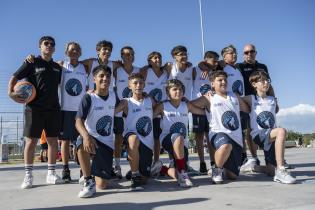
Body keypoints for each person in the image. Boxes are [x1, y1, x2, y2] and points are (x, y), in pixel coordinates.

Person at [26, 42, 88, 182]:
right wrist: (32, 58)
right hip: (65, 109)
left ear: (80, 52)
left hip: (80, 111)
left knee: (81, 140)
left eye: (78, 49)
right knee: (65, 141)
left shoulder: (85, 67)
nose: (75, 51)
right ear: (66, 52)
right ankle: (65, 169)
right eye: (72, 49)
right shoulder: (60, 66)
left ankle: (83, 171)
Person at [8, 36, 63, 189]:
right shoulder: (31, 62)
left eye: (52, 44)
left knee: (53, 141)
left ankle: (51, 174)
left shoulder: (57, 67)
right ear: (40, 46)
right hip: (34, 109)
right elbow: (14, 77)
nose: (49, 46)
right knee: (31, 141)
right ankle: (28, 176)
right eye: (46, 44)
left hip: (53, 109)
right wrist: (10, 93)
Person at [191, 71, 249, 184]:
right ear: (212, 83)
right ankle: (216, 170)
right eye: (220, 80)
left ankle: (224, 166)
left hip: (236, 137)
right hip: (218, 134)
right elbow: (189, 106)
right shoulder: (209, 97)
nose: (224, 82)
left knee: (232, 176)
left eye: (225, 80)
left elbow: (246, 109)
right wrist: (203, 112)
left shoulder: (234, 96)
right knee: (225, 145)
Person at [242, 70, 296, 184]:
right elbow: (234, 100)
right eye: (262, 81)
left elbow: (275, 110)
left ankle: (253, 167)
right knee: (281, 131)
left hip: (271, 136)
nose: (266, 83)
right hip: (259, 134)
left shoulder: (272, 99)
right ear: (254, 84)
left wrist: (273, 94)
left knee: (271, 171)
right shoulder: (251, 99)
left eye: (267, 80)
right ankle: (281, 170)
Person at [153, 79, 206, 187]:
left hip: (182, 144)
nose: (178, 92)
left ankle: (161, 168)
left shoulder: (186, 105)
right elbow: (149, 115)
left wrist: (211, 102)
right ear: (168, 93)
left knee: (177, 174)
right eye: (175, 89)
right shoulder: (162, 106)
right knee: (178, 136)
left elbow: (202, 112)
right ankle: (183, 173)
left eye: (180, 89)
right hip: (167, 140)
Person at [75, 65, 117, 198]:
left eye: (108, 76)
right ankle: (88, 180)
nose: (105, 79)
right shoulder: (88, 97)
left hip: (107, 142)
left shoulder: (114, 96)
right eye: (101, 76)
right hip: (92, 138)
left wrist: (143, 95)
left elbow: (125, 104)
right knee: (81, 142)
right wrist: (86, 135)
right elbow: (78, 120)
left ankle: (94, 172)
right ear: (94, 78)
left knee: (103, 185)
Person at [236, 44, 276, 172]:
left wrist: (274, 99)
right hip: (248, 101)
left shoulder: (262, 67)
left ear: (255, 52)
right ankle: (253, 158)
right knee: (249, 129)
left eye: (251, 51)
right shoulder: (239, 66)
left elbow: (269, 84)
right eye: (246, 52)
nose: (249, 54)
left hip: (263, 100)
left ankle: (271, 158)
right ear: (243, 54)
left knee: (267, 126)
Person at [115, 73, 155, 190]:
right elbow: (110, 111)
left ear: (144, 84)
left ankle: (135, 170)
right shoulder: (125, 102)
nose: (138, 85)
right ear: (129, 86)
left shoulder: (150, 100)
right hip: (132, 137)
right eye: (135, 83)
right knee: (133, 139)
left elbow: (161, 108)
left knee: (145, 180)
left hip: (147, 142)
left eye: (141, 83)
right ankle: (134, 175)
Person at [113, 46, 140, 179]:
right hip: (120, 108)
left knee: (134, 139)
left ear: (134, 56)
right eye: (125, 54)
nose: (128, 56)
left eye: (130, 54)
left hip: (134, 109)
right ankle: (117, 166)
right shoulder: (116, 70)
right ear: (121, 57)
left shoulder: (139, 70)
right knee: (118, 139)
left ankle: (135, 168)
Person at [139, 51, 168, 174]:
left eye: (159, 57)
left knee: (156, 137)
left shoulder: (166, 72)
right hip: (146, 108)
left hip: (159, 109)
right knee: (144, 135)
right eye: (154, 58)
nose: (158, 60)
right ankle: (141, 163)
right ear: (149, 61)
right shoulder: (145, 71)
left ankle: (156, 162)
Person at [192, 51, 220, 174]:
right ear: (206, 59)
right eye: (213, 60)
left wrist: (210, 67)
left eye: (217, 60)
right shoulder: (195, 70)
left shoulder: (216, 71)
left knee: (210, 135)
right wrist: (202, 64)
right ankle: (202, 162)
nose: (216, 63)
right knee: (199, 136)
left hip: (212, 107)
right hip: (198, 106)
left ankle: (213, 162)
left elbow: (223, 63)